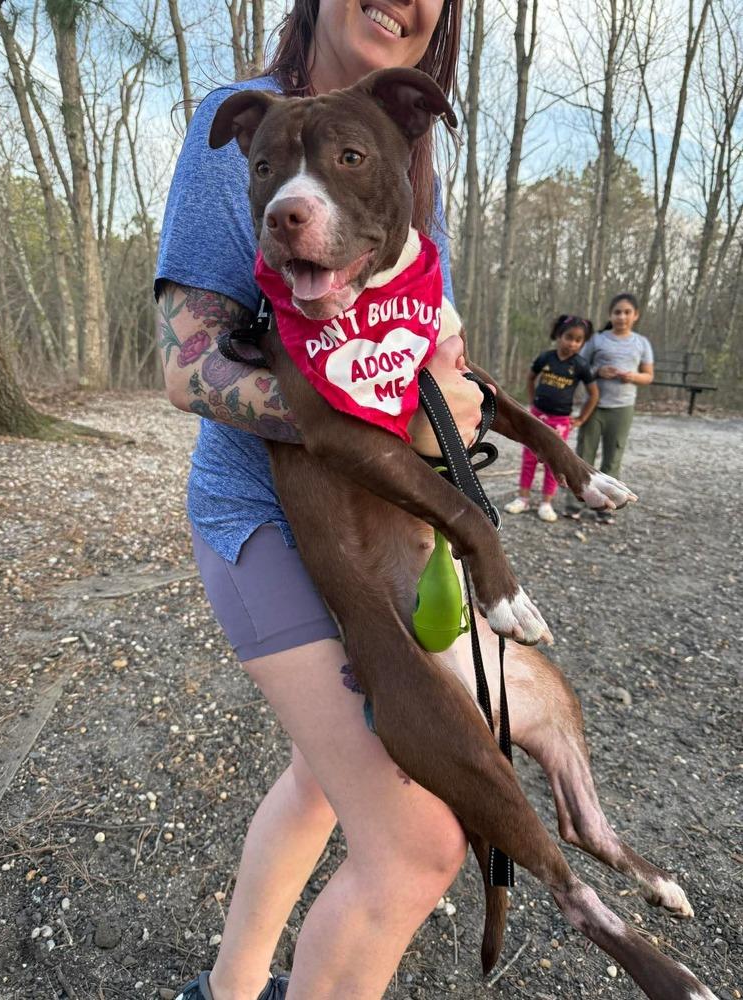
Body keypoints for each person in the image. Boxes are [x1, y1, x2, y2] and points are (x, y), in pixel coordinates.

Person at [156, 3, 485, 999]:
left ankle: (228, 987)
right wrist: (375, 415)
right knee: (419, 847)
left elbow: (432, 359)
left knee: (318, 783)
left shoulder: (405, 171)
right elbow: (188, 364)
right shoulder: (243, 120)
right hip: (260, 516)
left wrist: (453, 402)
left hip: (372, 525)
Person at [564, 293, 654, 524]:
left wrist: (632, 376)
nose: (621, 317)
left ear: (635, 315)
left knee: (613, 455)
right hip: (594, 405)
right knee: (584, 454)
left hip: (622, 407)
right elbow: (580, 366)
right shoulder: (598, 340)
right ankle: (575, 503)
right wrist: (598, 372)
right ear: (610, 315)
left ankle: (605, 506)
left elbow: (648, 376)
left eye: (627, 312)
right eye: (617, 312)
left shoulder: (641, 343)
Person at [504, 314, 598, 523]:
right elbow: (530, 378)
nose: (572, 343)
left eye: (578, 340)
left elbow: (594, 394)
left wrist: (581, 419)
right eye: (568, 337)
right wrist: (531, 405)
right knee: (529, 458)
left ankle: (546, 503)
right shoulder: (545, 358)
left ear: (582, 342)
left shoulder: (581, 365)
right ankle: (523, 497)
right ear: (558, 335)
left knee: (553, 461)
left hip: (561, 421)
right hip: (537, 416)